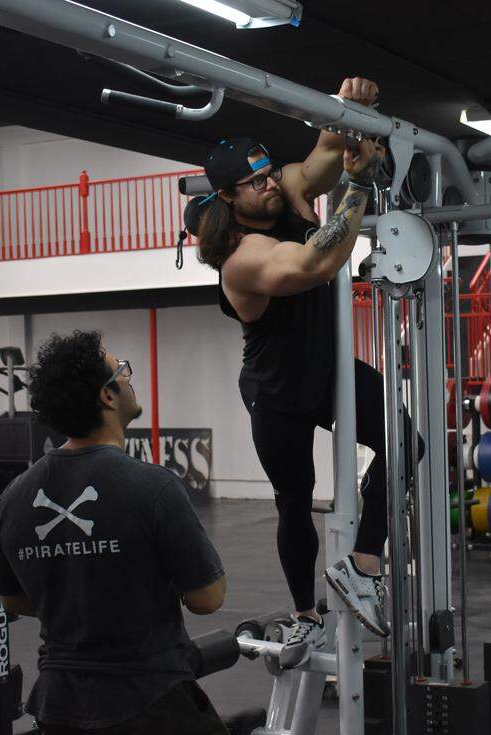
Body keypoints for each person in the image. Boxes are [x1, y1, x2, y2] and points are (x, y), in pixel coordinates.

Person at [187, 76, 414, 657]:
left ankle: (363, 563)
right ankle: (305, 615)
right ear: (226, 198)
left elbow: (326, 155)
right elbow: (317, 262)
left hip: (330, 367)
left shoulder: (282, 187)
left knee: (407, 444)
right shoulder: (241, 259)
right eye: (253, 183)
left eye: (267, 174)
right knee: (296, 498)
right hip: (278, 390)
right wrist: (357, 189)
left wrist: (348, 109)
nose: (268, 185)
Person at [0, 331, 228, 735]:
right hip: (150, 701)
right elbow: (208, 598)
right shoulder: (154, 487)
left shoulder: (13, 498)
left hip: (58, 707)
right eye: (123, 371)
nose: (129, 378)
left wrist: (77, 595)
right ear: (108, 396)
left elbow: (14, 600)